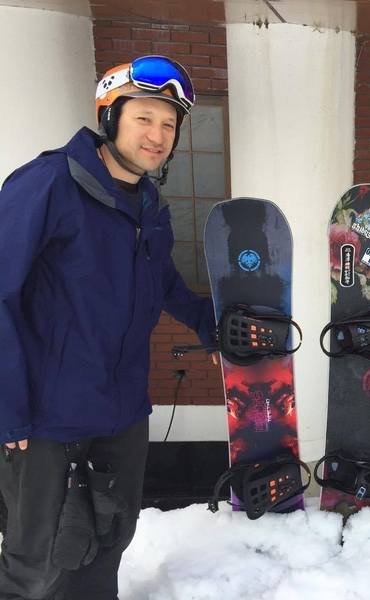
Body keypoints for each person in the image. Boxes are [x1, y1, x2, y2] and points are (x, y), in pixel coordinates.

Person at [0, 56, 215, 600]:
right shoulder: (49, 184)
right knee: (37, 560)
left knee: (107, 539)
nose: (157, 136)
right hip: (47, 417)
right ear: (110, 117)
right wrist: (9, 407)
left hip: (121, 411)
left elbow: (160, 279)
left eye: (168, 124)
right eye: (144, 118)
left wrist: (208, 324)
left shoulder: (148, 202)